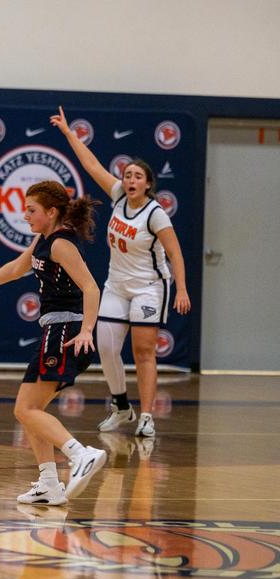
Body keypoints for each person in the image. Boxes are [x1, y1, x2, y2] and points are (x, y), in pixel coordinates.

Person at [0, 180, 107, 506]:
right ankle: (49, 484)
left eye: (32, 210)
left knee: (26, 409)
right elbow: (15, 268)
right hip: (54, 331)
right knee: (32, 412)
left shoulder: (61, 244)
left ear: (52, 212)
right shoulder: (43, 239)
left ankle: (81, 454)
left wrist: (87, 330)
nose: (25, 215)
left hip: (66, 331)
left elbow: (91, 287)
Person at [51, 107, 191, 437]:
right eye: (127, 175)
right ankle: (121, 406)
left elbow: (175, 253)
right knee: (106, 346)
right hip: (116, 285)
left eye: (137, 176)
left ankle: (147, 416)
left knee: (143, 351)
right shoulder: (117, 196)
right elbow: (91, 165)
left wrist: (182, 289)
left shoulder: (155, 214)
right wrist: (69, 133)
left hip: (149, 288)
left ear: (148, 184)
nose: (130, 180)